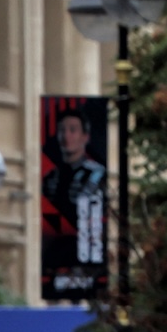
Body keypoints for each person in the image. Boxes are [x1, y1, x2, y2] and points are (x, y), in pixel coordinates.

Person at [44, 109, 106, 263]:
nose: (66, 136)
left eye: (73, 130)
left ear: (85, 137)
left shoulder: (96, 174)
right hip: (53, 251)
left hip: (86, 251)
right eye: (62, 130)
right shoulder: (50, 178)